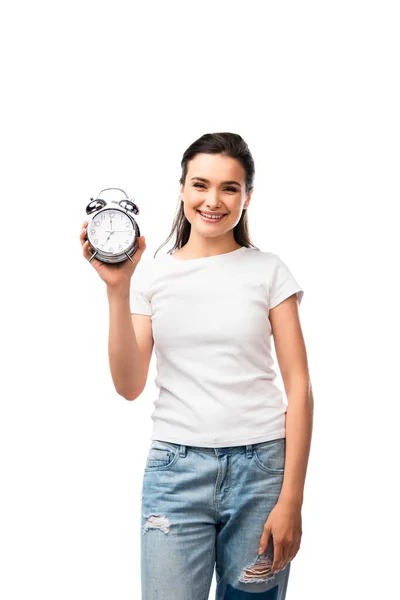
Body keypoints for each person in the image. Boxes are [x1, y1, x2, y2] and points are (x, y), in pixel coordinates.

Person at [80, 132, 313, 599]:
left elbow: (300, 388)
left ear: (247, 197)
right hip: (175, 471)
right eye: (200, 185)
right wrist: (117, 289)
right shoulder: (152, 276)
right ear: (182, 189)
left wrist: (292, 499)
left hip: (262, 470)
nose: (213, 200)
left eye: (230, 187)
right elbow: (129, 385)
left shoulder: (268, 271)